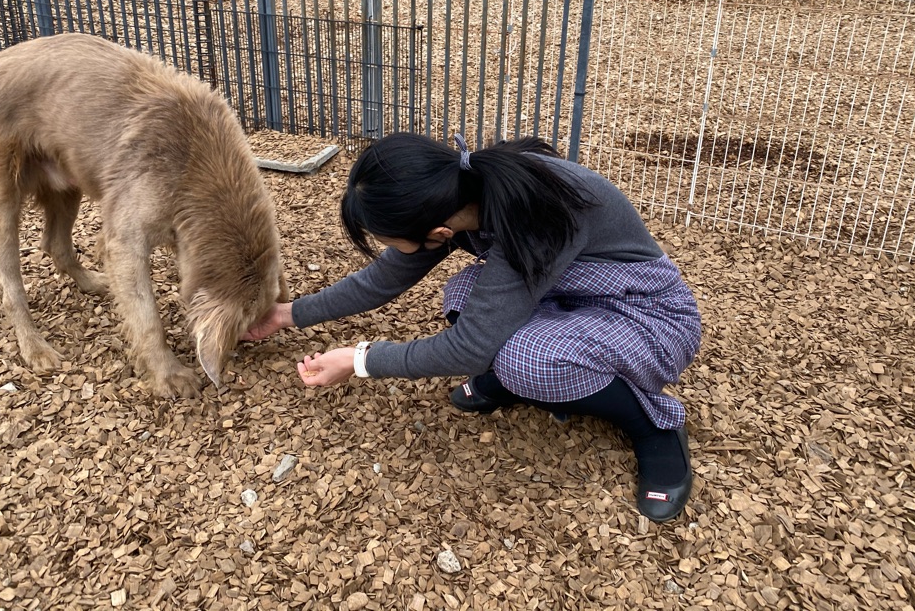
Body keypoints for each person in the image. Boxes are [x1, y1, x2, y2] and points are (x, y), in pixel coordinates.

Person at [244, 132, 702, 522]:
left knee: (528, 361)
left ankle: (654, 427)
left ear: (439, 234)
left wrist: (360, 360)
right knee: (464, 296)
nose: (391, 251)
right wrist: (285, 315)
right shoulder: (454, 194)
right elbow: (382, 280)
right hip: (568, 296)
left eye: (391, 241)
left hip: (646, 315)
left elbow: (469, 349)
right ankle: (513, 380)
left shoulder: (531, 211)